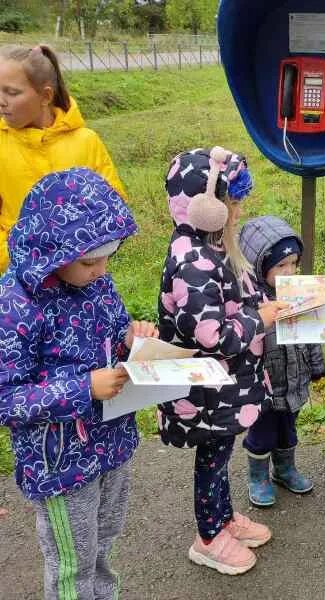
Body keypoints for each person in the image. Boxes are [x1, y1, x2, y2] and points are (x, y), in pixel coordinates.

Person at [0, 167, 157, 600]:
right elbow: (6, 398)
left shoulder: (97, 283)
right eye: (90, 261)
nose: (101, 270)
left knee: (103, 545)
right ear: (52, 251)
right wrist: (83, 388)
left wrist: (132, 338)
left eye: (108, 257)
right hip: (61, 464)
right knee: (72, 562)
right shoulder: (15, 305)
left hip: (111, 442)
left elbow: (114, 334)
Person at [158, 146, 288, 575]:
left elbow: (239, 299)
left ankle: (223, 519)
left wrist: (271, 304)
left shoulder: (211, 247)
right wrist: (260, 319)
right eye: (232, 202)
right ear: (206, 205)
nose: (238, 211)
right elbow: (210, 334)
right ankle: (209, 537)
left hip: (225, 386)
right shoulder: (193, 261)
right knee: (212, 461)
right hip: (208, 387)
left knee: (220, 454)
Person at [0, 44, 126, 275]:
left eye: (12, 92)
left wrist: (85, 256)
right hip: (21, 274)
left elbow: (113, 204)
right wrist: (15, 257)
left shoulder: (86, 142)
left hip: (82, 275)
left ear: (45, 96)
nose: (2, 101)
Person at [238, 215, 325, 506]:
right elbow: (242, 342)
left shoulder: (301, 294)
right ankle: (258, 476)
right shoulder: (248, 302)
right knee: (262, 433)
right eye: (280, 265)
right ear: (259, 264)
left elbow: (312, 332)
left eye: (293, 263)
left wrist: (315, 365)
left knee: (288, 430)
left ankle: (285, 468)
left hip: (294, 380)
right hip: (263, 385)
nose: (289, 271)